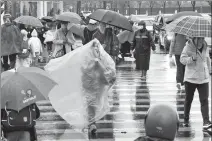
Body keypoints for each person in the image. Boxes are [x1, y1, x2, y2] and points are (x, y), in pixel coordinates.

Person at [180, 37, 212, 129]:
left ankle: (206, 121)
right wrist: (191, 59)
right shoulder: (188, 46)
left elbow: (207, 59)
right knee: (188, 100)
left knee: (204, 100)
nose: (201, 40)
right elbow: (182, 59)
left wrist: (209, 71)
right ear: (194, 39)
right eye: (199, 39)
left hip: (203, 78)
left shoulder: (205, 46)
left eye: (202, 38)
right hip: (191, 78)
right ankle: (186, 120)